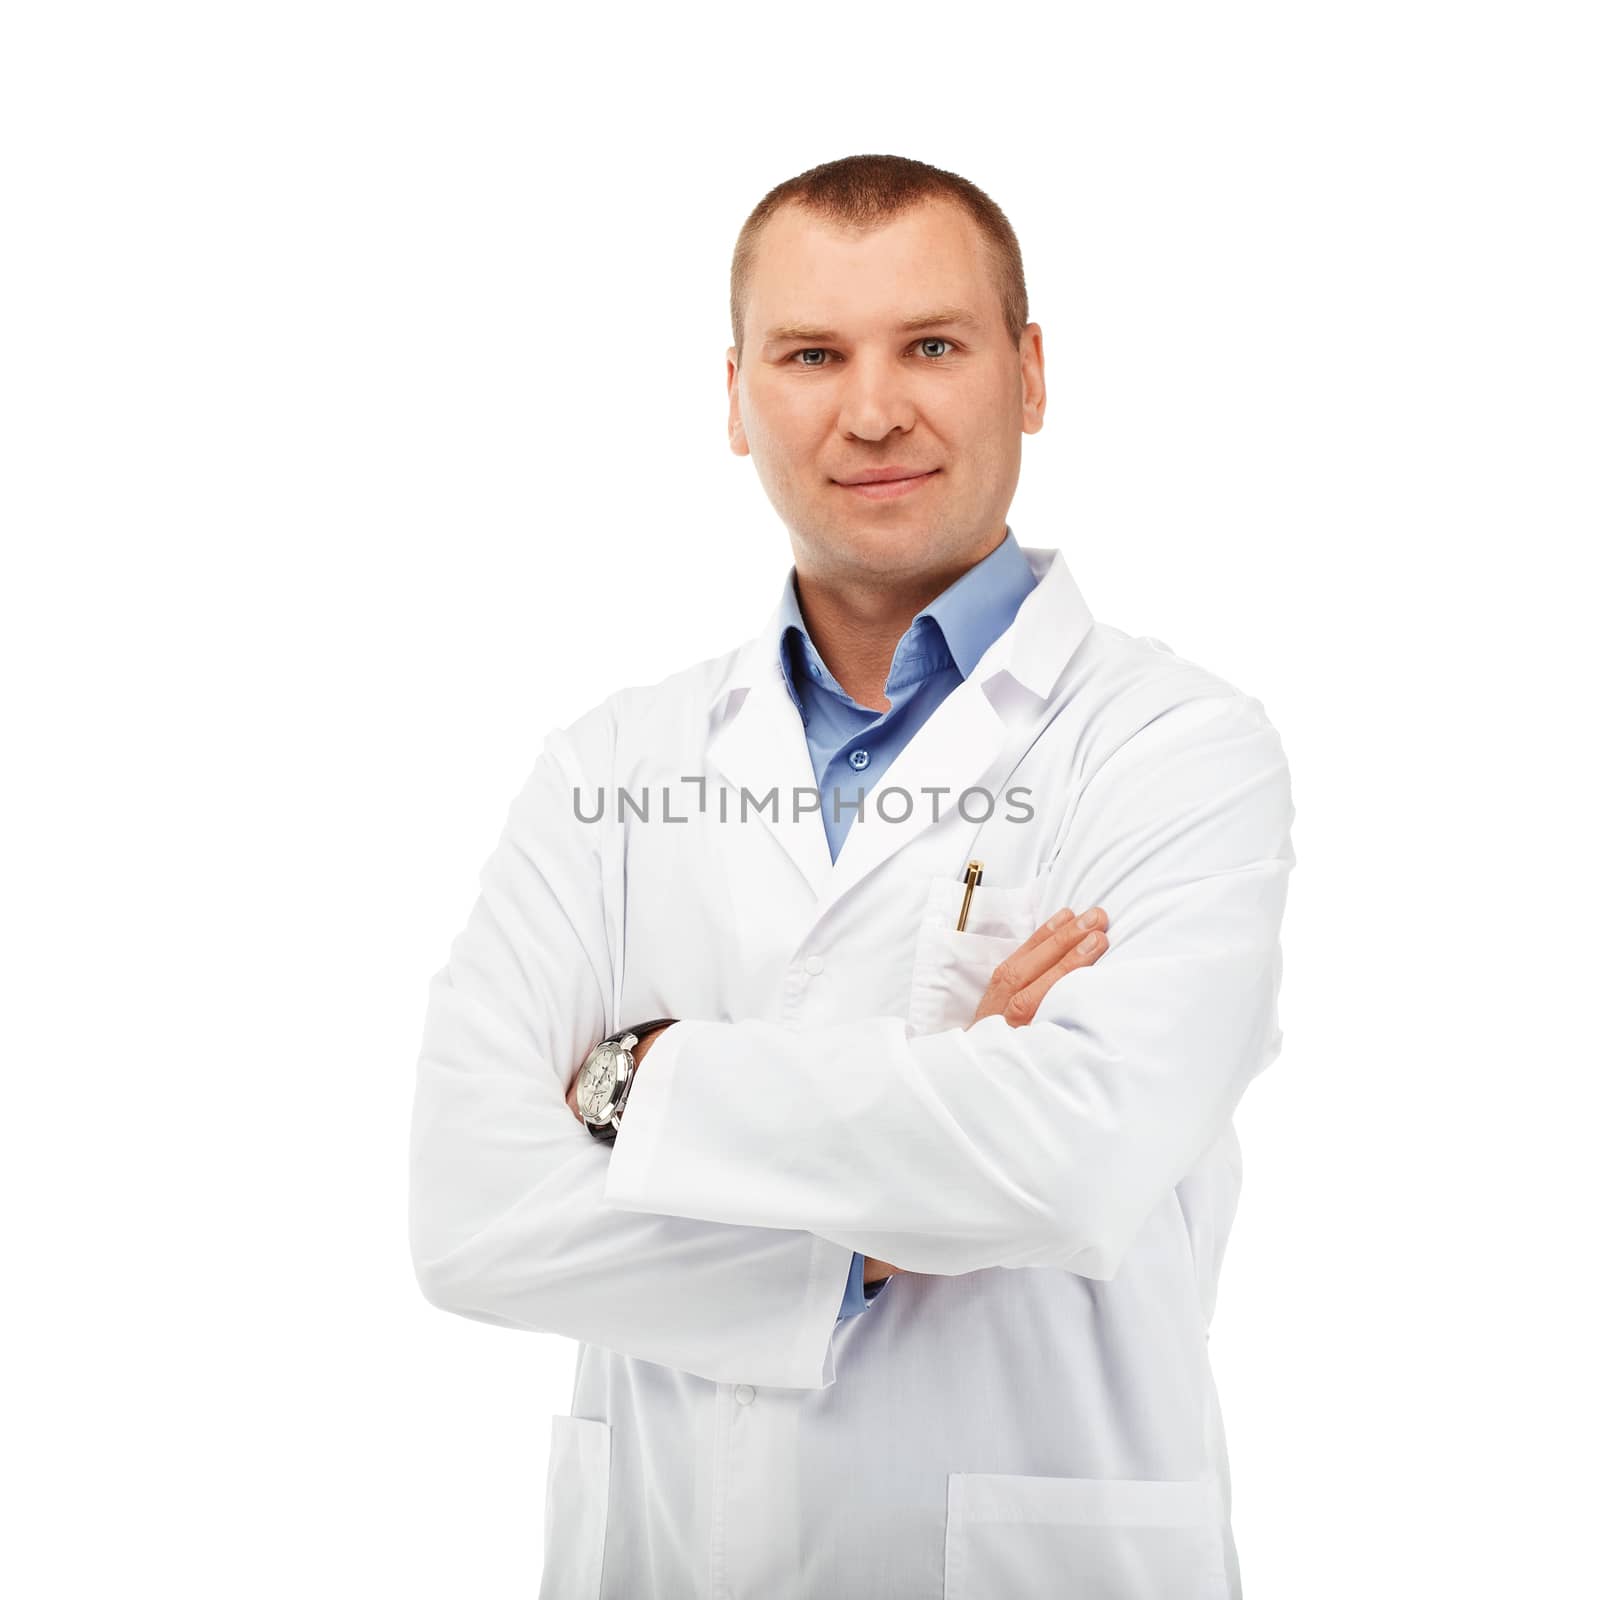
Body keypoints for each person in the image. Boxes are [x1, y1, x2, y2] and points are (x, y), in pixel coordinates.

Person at [408, 153, 1295, 1600]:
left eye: (932, 345)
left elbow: (1077, 1157)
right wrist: (886, 1220)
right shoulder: (608, 767)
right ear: (737, 394)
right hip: (661, 1552)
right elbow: (468, 1212)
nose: (873, 409)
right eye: (812, 353)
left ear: (1030, 374)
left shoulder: (1177, 749)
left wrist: (644, 1079)